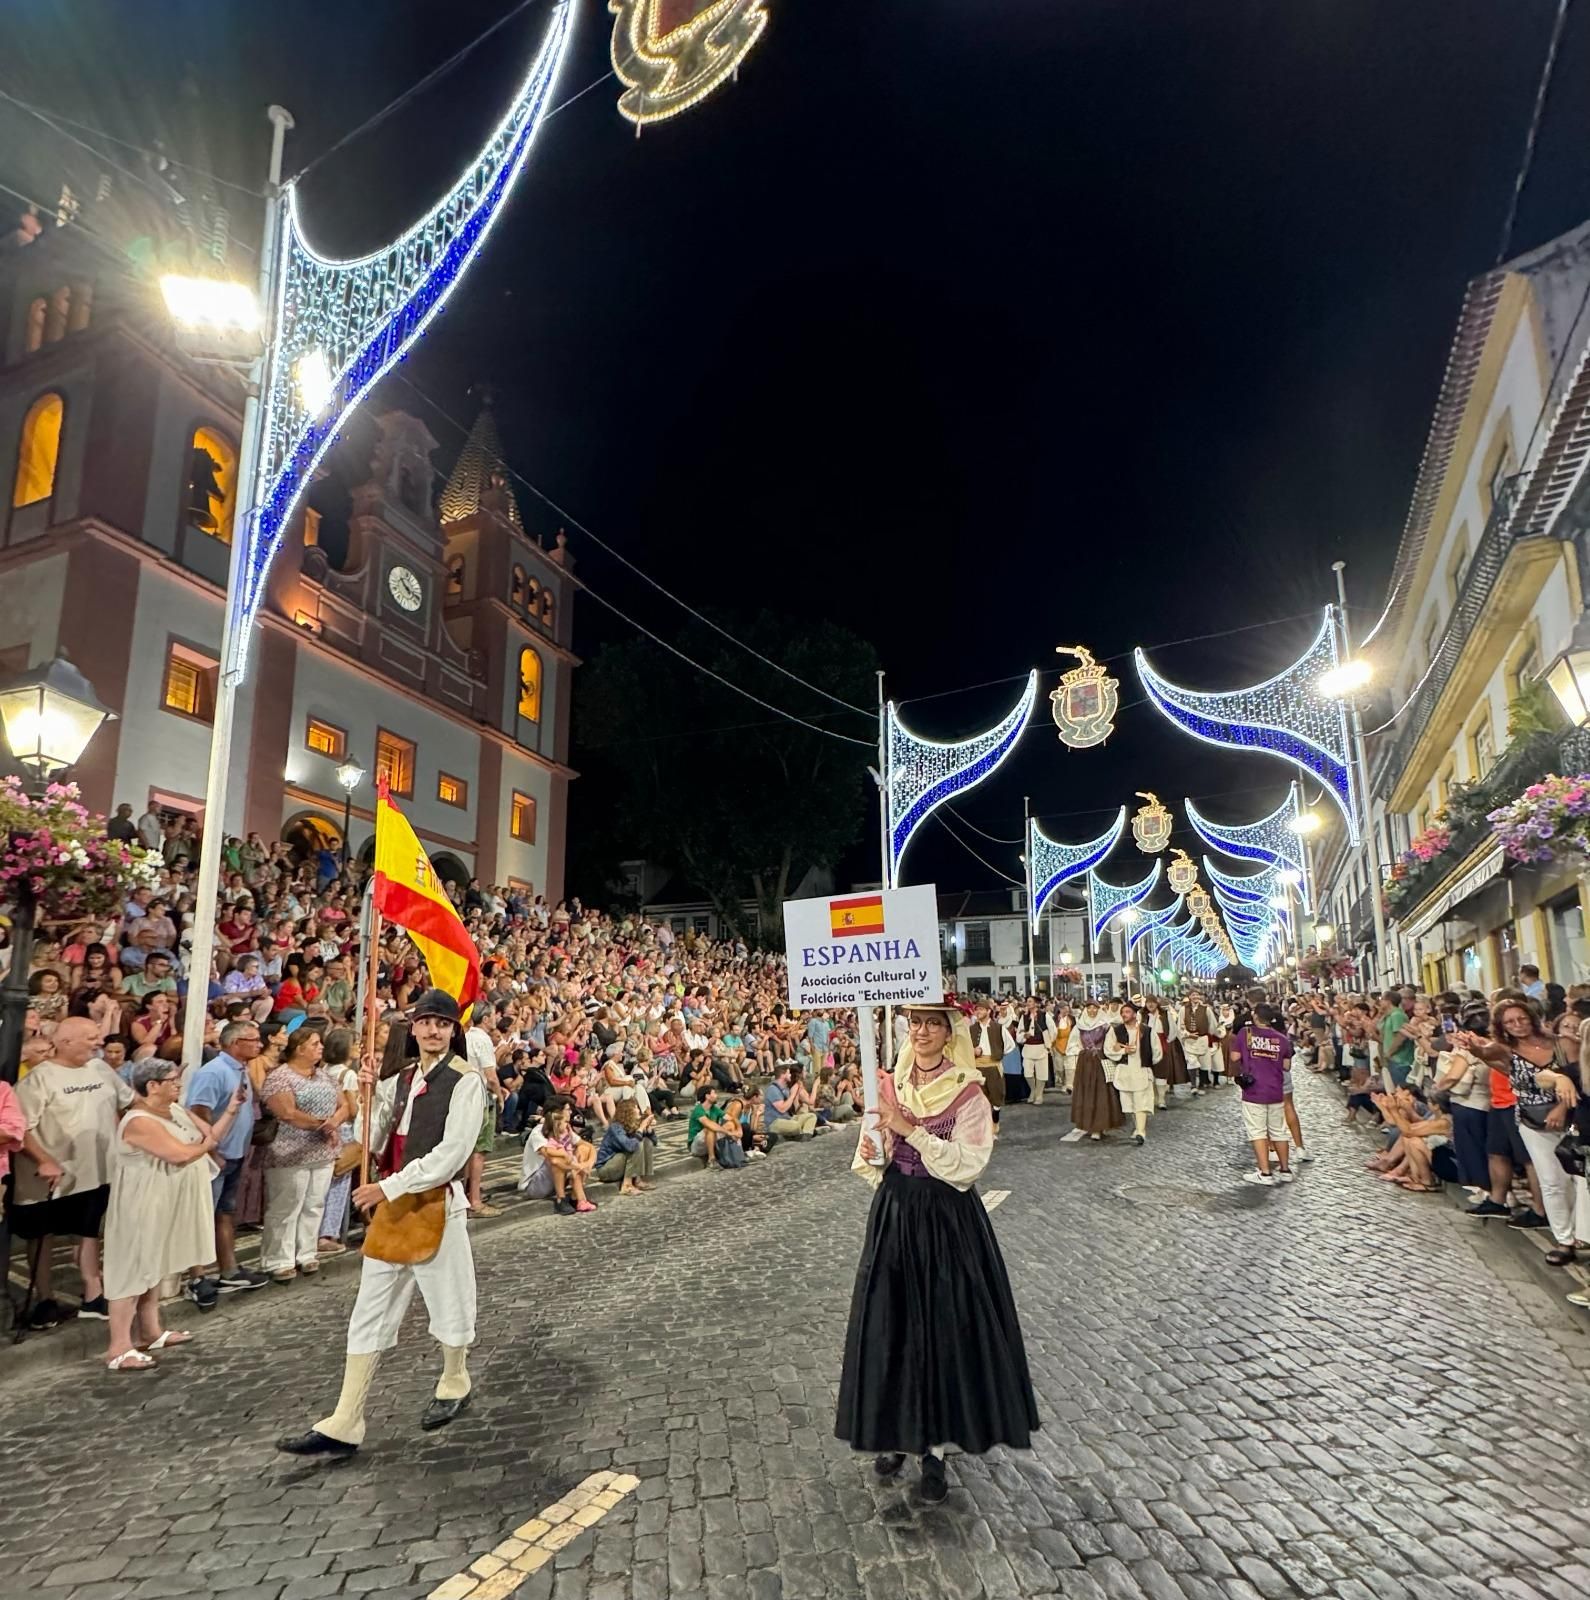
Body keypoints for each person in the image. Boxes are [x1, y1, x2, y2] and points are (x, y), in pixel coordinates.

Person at [835, 999, 1038, 1504]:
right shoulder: (894, 1082)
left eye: (931, 1024)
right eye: (915, 1023)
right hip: (897, 1213)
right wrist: (874, 1146)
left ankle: (936, 1453)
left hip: (946, 1220)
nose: (921, 1031)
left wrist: (913, 1132)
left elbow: (968, 1166)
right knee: (894, 1324)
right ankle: (898, 1436)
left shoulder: (966, 1091)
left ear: (949, 1032)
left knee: (940, 1328)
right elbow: (877, 1151)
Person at [277, 989, 489, 1456]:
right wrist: (368, 1099)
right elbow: (373, 1140)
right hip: (393, 1209)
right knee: (368, 1312)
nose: (433, 1030)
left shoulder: (466, 1080)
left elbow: (451, 1152)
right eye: (425, 1022)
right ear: (413, 1028)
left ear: (453, 1031)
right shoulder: (400, 1079)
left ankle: (455, 1380)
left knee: (449, 1301)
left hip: (435, 1203)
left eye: (442, 1023)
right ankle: (347, 1418)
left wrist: (387, 1188)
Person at [102, 1060, 246, 1370]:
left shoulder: (177, 1110)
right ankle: (118, 1347)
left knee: (153, 1267)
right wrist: (205, 1145)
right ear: (151, 1086)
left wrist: (232, 1110)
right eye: (172, 1080)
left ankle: (150, 1331)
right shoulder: (138, 1120)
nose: (179, 1085)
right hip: (142, 1203)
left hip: (168, 1200)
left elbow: (210, 1135)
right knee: (131, 1269)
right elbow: (179, 1154)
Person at [11, 1016, 130, 1327]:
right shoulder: (39, 1079)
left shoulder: (101, 1069)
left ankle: (93, 1293)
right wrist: (42, 1159)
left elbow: (128, 1102)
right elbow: (20, 1128)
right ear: (65, 1042)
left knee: (89, 1231)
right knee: (41, 1236)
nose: (99, 1042)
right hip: (50, 1178)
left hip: (96, 1170)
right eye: (91, 1037)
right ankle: (44, 1298)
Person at [1458, 1000, 1583, 1263]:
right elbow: (1488, 1052)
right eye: (1510, 1022)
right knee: (1551, 1180)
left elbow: (1579, 1076)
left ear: (1532, 1017)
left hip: (1572, 1116)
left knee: (1579, 1181)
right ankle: (1565, 1239)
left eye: (1521, 1019)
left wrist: (1561, 1107)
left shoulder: (1562, 1043)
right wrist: (1475, 1047)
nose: (1517, 1025)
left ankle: (1581, 1232)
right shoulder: (1507, 1050)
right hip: (1532, 1122)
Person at [182, 1019, 270, 1305]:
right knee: (203, 1216)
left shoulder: (240, 1070)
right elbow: (198, 1111)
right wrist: (212, 1151)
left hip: (233, 1153)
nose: (259, 1044)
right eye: (253, 1039)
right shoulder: (214, 1072)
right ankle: (197, 1275)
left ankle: (228, 1269)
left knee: (225, 1213)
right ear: (235, 1043)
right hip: (215, 1156)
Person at [260, 1025, 346, 1282]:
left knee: (314, 1203)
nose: (320, 1047)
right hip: (290, 1150)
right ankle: (278, 1258)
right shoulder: (280, 1077)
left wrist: (334, 1121)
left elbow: (344, 1105)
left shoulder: (324, 1076)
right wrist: (322, 1124)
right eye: (314, 1043)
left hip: (322, 1149)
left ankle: (306, 1252)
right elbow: (286, 1111)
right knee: (286, 1206)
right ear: (299, 1049)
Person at [1231, 1003, 1294, 1186]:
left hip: (1254, 1089)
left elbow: (1235, 1057)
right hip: (1275, 1089)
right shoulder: (1282, 1039)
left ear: (1256, 1017)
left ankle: (1265, 1173)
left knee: (1257, 1131)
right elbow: (1286, 1066)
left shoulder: (1245, 1033)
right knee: (1279, 1131)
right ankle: (1285, 1169)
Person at [1103, 1001, 1161, 1145]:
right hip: (1125, 1071)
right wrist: (1123, 1051)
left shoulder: (1146, 1030)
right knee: (1129, 1104)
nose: (1124, 1015)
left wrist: (1149, 1063)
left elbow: (1157, 1050)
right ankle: (1137, 1128)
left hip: (1141, 1070)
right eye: (1123, 1012)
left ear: (1135, 1014)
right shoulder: (1115, 1030)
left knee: (1141, 1101)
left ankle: (1141, 1131)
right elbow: (1108, 1049)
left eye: (1127, 1012)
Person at [1066, 1000, 1121, 1141]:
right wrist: (1081, 1051)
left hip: (1099, 1062)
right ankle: (1088, 1124)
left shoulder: (1106, 1027)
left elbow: (1110, 1045)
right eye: (1089, 1008)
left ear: (1098, 1010)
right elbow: (1072, 1044)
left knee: (1100, 1094)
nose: (1092, 1011)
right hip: (1085, 1063)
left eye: (1094, 1008)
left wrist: (1116, 1053)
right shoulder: (1079, 1026)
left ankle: (1099, 1126)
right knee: (1086, 1093)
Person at [594, 1099, 657, 1194]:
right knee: (636, 1145)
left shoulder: (632, 1125)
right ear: (628, 1112)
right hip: (606, 1169)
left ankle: (638, 1179)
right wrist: (640, 1129)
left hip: (619, 1165)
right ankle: (626, 1185)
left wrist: (649, 1130)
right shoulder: (615, 1127)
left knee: (646, 1141)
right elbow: (630, 1146)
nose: (638, 1110)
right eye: (635, 1108)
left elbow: (655, 1142)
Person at [763, 1067, 818, 1140]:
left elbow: (793, 1108)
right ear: (783, 1075)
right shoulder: (772, 1089)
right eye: (788, 1073)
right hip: (775, 1122)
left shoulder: (785, 1089)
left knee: (811, 1116)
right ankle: (802, 1132)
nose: (790, 1075)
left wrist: (796, 1094)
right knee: (796, 1126)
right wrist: (792, 1095)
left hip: (788, 1119)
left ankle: (805, 1135)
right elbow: (782, 1109)